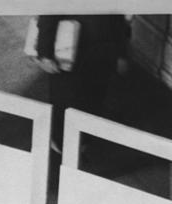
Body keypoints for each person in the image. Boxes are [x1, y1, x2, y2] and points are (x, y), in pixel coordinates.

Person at [33, 14, 132, 151]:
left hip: (102, 54)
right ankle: (61, 144)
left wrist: (121, 54)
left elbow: (118, 19)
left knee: (94, 99)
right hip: (70, 53)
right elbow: (49, 15)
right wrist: (45, 55)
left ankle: (84, 140)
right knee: (66, 101)